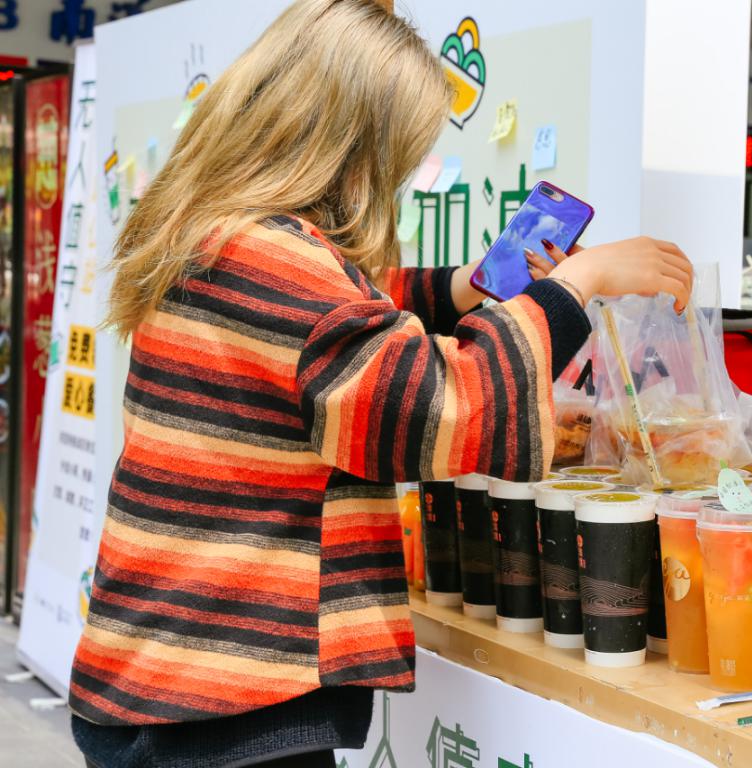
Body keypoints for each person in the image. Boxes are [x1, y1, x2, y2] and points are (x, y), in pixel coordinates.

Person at [68, 1, 693, 767]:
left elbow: (337, 322)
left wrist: (469, 285)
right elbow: (442, 406)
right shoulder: (272, 257)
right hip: (226, 693)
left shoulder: (210, 228)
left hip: (166, 668)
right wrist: (577, 283)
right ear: (346, 145)